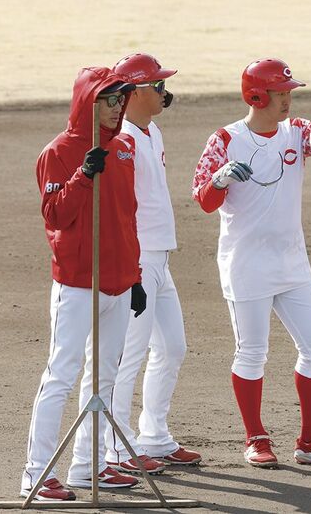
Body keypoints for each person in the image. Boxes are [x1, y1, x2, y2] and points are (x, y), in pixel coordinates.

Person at [192, 58, 311, 468]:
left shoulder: (296, 130)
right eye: (280, 93)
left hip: (291, 263)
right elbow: (203, 200)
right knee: (252, 352)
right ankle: (256, 438)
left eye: (289, 93)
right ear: (256, 96)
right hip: (246, 265)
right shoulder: (225, 139)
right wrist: (220, 179)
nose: (287, 100)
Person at [22, 67, 144, 500]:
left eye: (120, 99)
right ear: (87, 102)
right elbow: (55, 215)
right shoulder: (58, 151)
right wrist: (83, 175)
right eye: (108, 100)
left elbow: (127, 217)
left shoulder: (124, 148)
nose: (116, 107)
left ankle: (87, 466)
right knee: (61, 374)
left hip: (118, 283)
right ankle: (37, 475)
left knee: (104, 378)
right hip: (77, 284)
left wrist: (135, 275)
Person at [102, 53, 202, 475]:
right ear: (136, 92)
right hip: (138, 258)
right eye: (157, 85)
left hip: (161, 256)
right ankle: (117, 447)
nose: (164, 91)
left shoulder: (151, 131)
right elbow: (119, 210)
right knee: (130, 354)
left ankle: (154, 435)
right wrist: (132, 268)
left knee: (172, 347)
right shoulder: (122, 139)